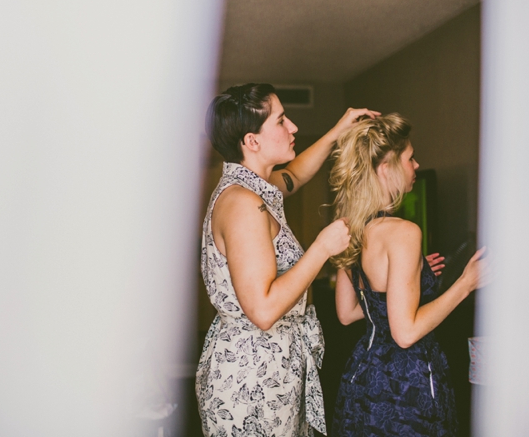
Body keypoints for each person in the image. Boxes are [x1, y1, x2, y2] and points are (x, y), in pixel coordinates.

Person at [196, 83, 377, 437]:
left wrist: (339, 129)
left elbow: (297, 174)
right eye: (281, 121)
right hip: (251, 382)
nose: (292, 127)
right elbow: (263, 310)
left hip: (273, 371)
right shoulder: (244, 205)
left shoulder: (256, 187)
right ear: (252, 142)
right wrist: (322, 248)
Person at [329, 113, 487, 436]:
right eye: (410, 158)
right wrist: (464, 284)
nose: (416, 165)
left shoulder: (351, 227)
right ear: (385, 169)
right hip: (406, 383)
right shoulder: (404, 233)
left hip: (365, 376)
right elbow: (405, 332)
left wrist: (410, 276)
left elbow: (347, 313)